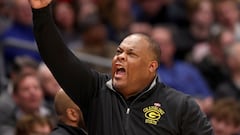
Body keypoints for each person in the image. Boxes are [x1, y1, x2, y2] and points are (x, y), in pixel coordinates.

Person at [29, 0, 213, 134]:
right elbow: (58, 58)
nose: (120, 57)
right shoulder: (96, 91)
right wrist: (42, 13)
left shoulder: (180, 105)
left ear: (151, 66)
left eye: (131, 54)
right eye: (119, 52)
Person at [151, 25, 213, 114]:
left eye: (164, 44)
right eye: (156, 44)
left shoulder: (188, 69)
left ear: (173, 46)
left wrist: (204, 105)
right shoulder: (146, 73)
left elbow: (208, 98)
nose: (160, 48)